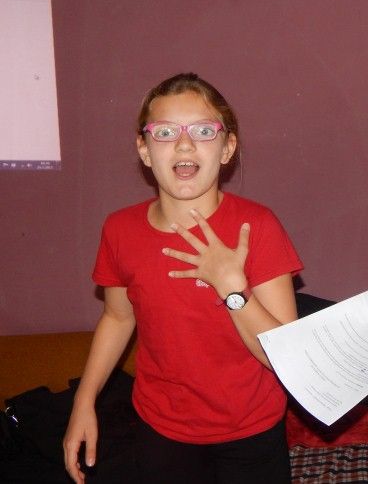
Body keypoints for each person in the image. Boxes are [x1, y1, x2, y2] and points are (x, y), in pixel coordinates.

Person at [63, 73, 302, 484]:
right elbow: (118, 318)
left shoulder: (257, 227)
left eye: (204, 131)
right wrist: (83, 401)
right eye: (165, 132)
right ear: (144, 149)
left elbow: (284, 358)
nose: (185, 144)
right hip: (160, 430)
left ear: (227, 148)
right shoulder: (120, 230)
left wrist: (232, 287)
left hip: (251, 430)